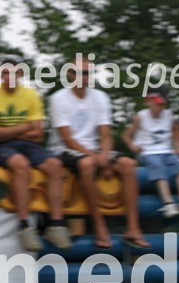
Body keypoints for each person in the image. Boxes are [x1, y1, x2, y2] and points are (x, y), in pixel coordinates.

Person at [48, 56, 148, 249]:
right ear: (70, 74)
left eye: (88, 73)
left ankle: (133, 228)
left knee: (129, 164)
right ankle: (99, 226)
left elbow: (106, 135)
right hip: (65, 149)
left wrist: (105, 155)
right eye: (80, 72)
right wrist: (98, 158)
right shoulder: (58, 98)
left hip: (93, 148)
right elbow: (67, 139)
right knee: (87, 165)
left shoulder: (100, 97)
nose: (84, 77)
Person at [0, 54, 71, 251]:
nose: (7, 77)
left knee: (55, 166)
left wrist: (4, 130)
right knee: (21, 165)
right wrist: (23, 127)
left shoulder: (30, 95)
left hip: (26, 144)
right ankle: (24, 225)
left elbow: (37, 133)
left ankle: (56, 224)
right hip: (1, 148)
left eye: (11, 73)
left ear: (19, 73)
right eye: (3, 73)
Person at [123, 89, 179, 218]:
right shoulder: (141, 117)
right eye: (157, 104)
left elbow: (177, 136)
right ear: (149, 102)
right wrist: (132, 146)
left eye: (162, 104)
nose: (160, 107)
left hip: (166, 151)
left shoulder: (169, 116)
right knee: (157, 165)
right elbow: (126, 135)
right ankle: (168, 203)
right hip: (148, 151)